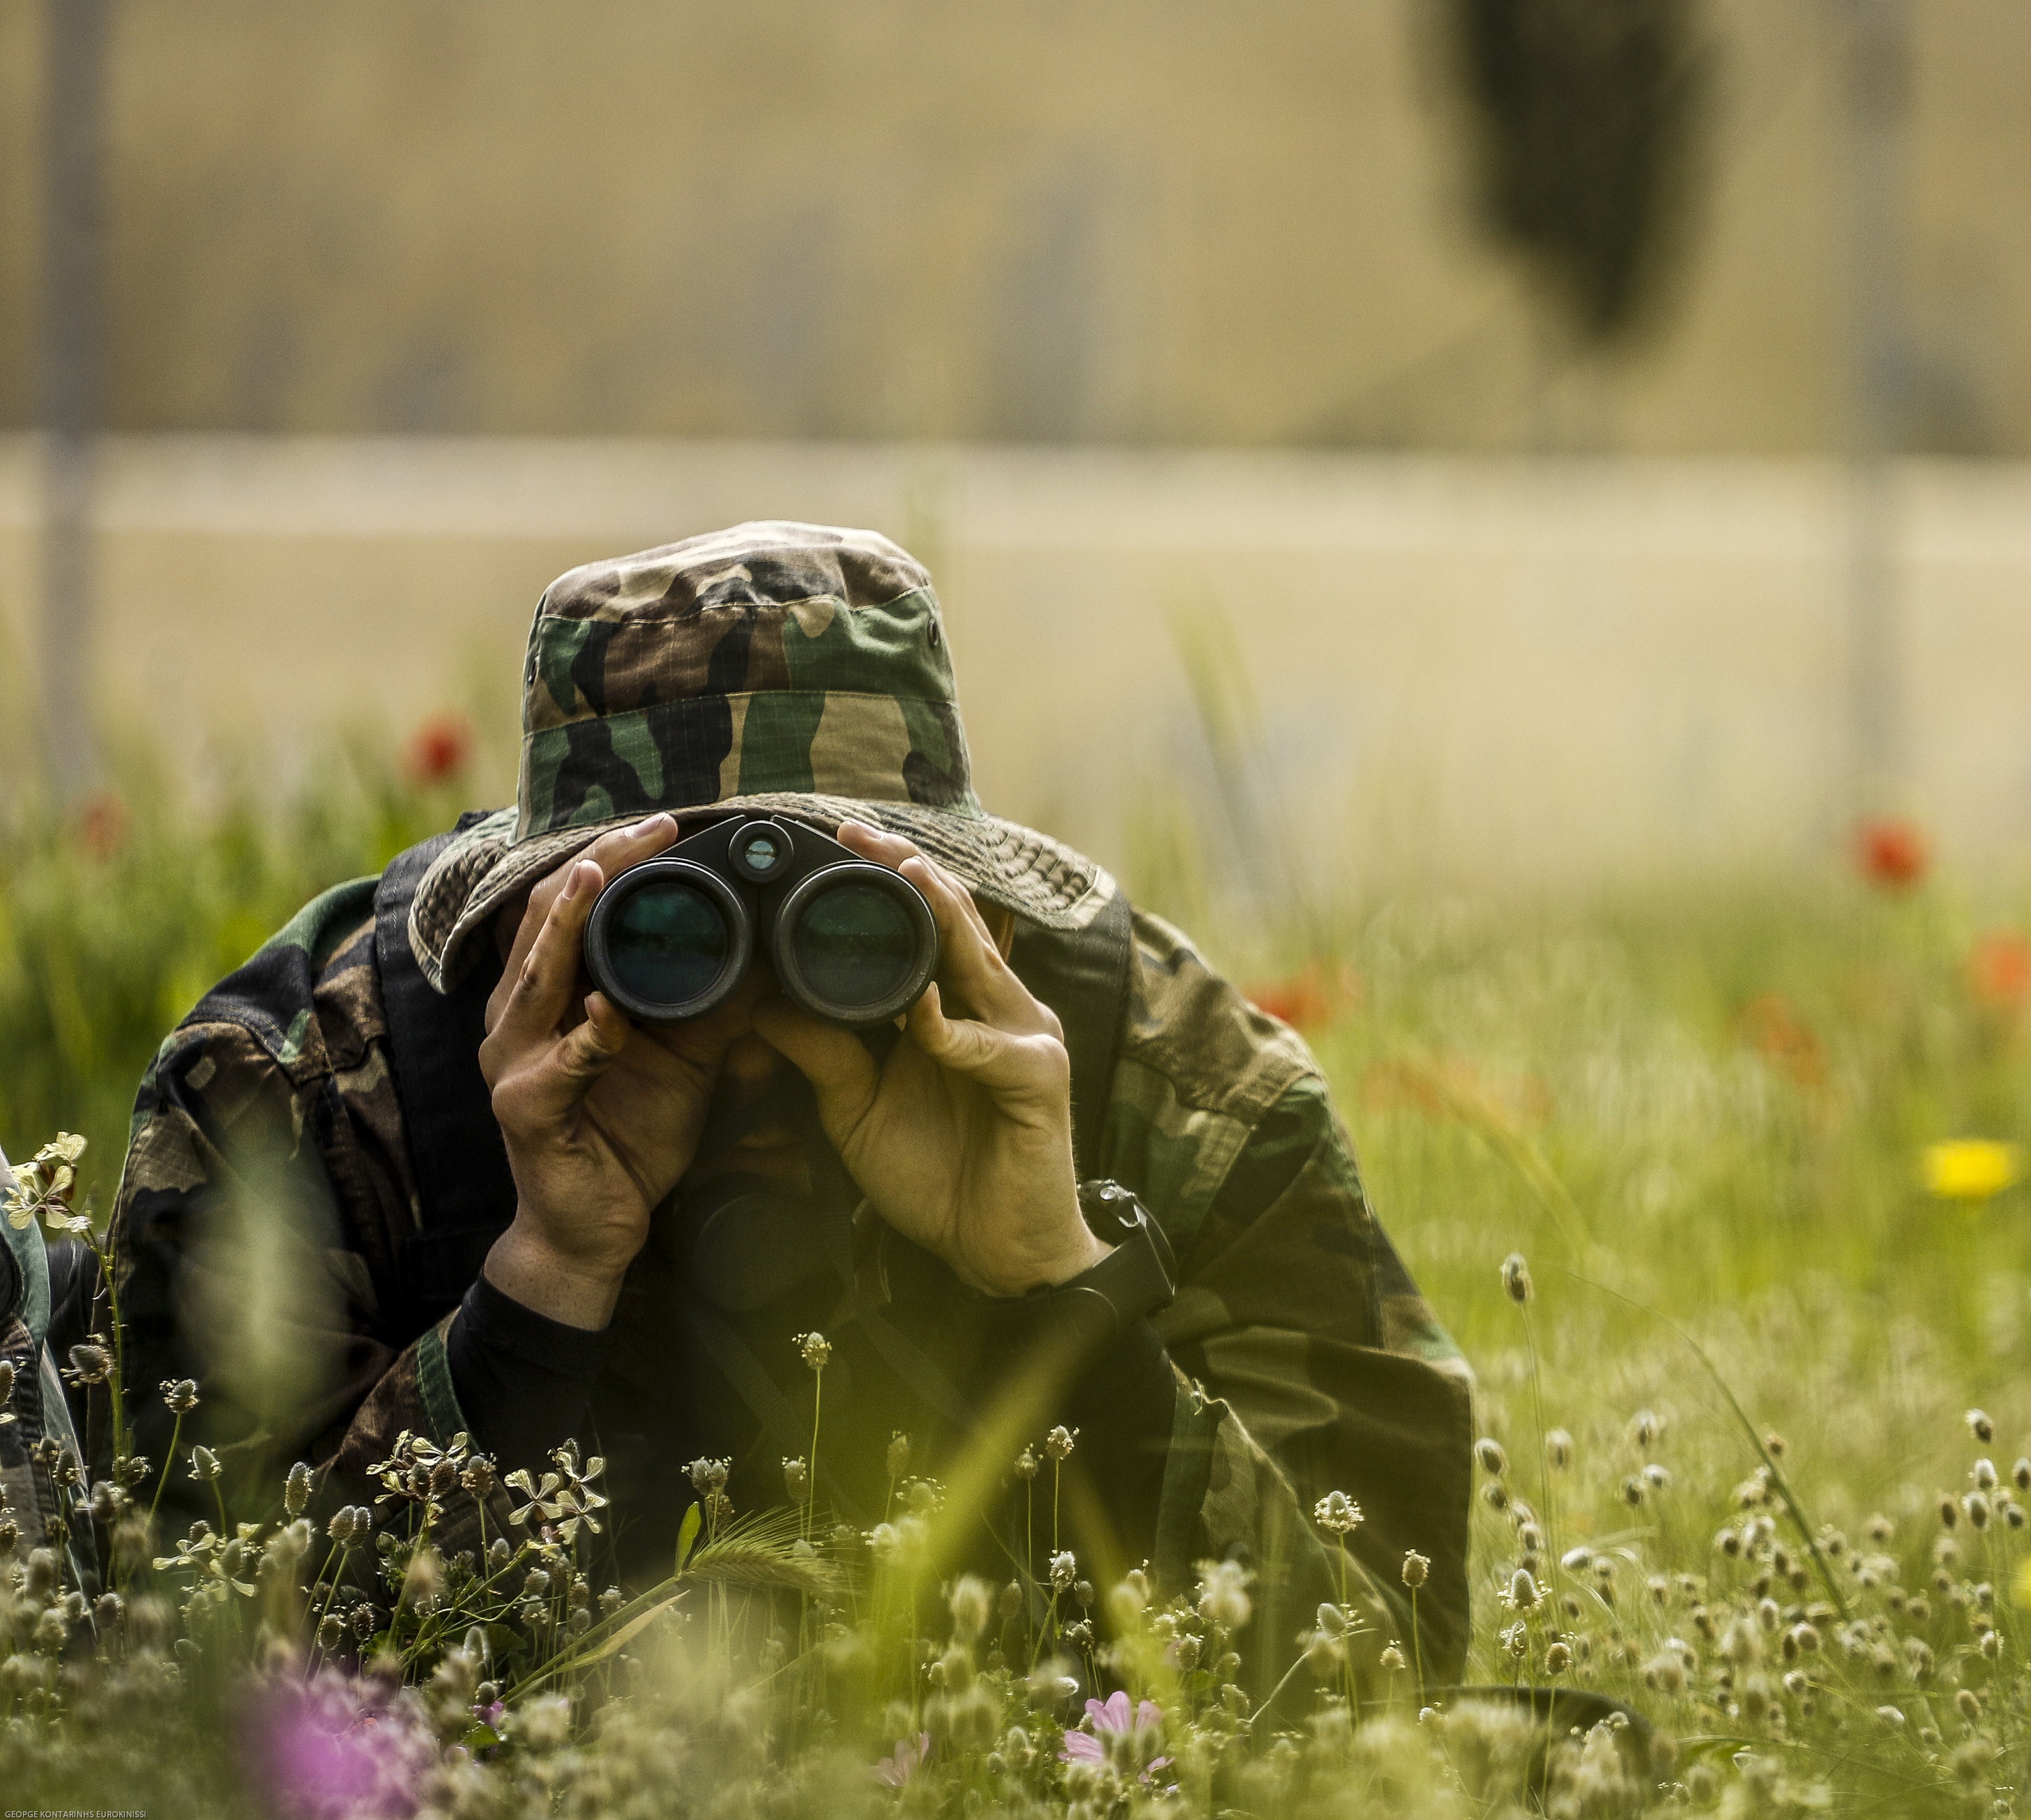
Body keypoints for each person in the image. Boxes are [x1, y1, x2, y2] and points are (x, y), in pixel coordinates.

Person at [80, 521, 1474, 1680]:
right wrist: (537, 1282)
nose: (750, 1042)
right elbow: (195, 1709)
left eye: (843, 945)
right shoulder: (298, 1109)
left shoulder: (1170, 1088)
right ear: (536, 924)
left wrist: (1061, 1286)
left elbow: (1392, 1680)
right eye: (666, 944)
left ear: (957, 907)